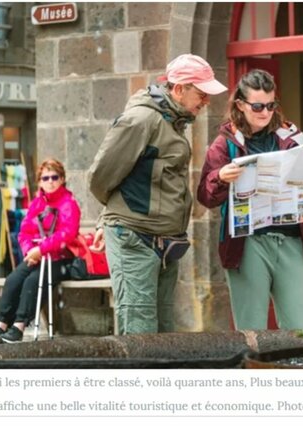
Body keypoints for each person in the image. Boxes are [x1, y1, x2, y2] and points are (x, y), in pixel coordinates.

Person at [88, 53, 227, 335]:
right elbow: (100, 177)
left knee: (163, 333)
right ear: (179, 89)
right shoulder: (142, 119)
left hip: (165, 242)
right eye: (201, 94)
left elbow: (131, 177)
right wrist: (114, 218)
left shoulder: (172, 119)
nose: (206, 102)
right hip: (135, 238)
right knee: (140, 333)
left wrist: (108, 217)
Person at [197, 69, 303, 330]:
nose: (265, 112)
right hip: (246, 243)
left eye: (271, 105)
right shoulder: (223, 144)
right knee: (251, 328)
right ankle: (255, 370)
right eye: (258, 106)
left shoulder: (291, 137)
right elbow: (205, 197)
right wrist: (220, 177)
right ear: (240, 104)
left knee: (300, 327)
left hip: (291, 240)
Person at [0, 158, 81, 344]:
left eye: (54, 177)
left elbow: (67, 234)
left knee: (33, 281)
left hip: (62, 260)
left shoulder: (69, 203)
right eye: (45, 178)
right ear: (40, 181)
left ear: (62, 179)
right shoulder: (37, 203)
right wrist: (30, 251)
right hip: (37, 257)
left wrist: (41, 250)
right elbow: (24, 232)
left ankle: (18, 326)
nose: (50, 181)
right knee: (13, 280)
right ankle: (1, 324)